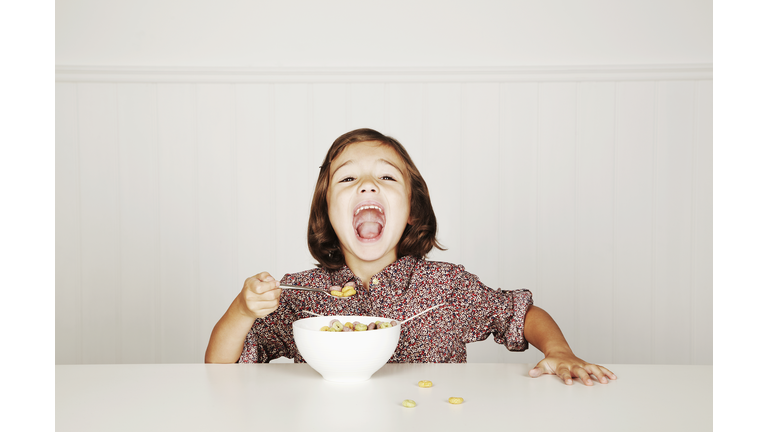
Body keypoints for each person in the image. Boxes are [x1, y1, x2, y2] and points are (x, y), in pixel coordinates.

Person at [205, 128, 616, 386]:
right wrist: (242, 309)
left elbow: (520, 313)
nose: (368, 185)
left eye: (386, 176)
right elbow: (219, 370)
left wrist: (559, 351)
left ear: (412, 212)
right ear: (327, 213)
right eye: (348, 178)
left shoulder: (447, 286)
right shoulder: (299, 295)